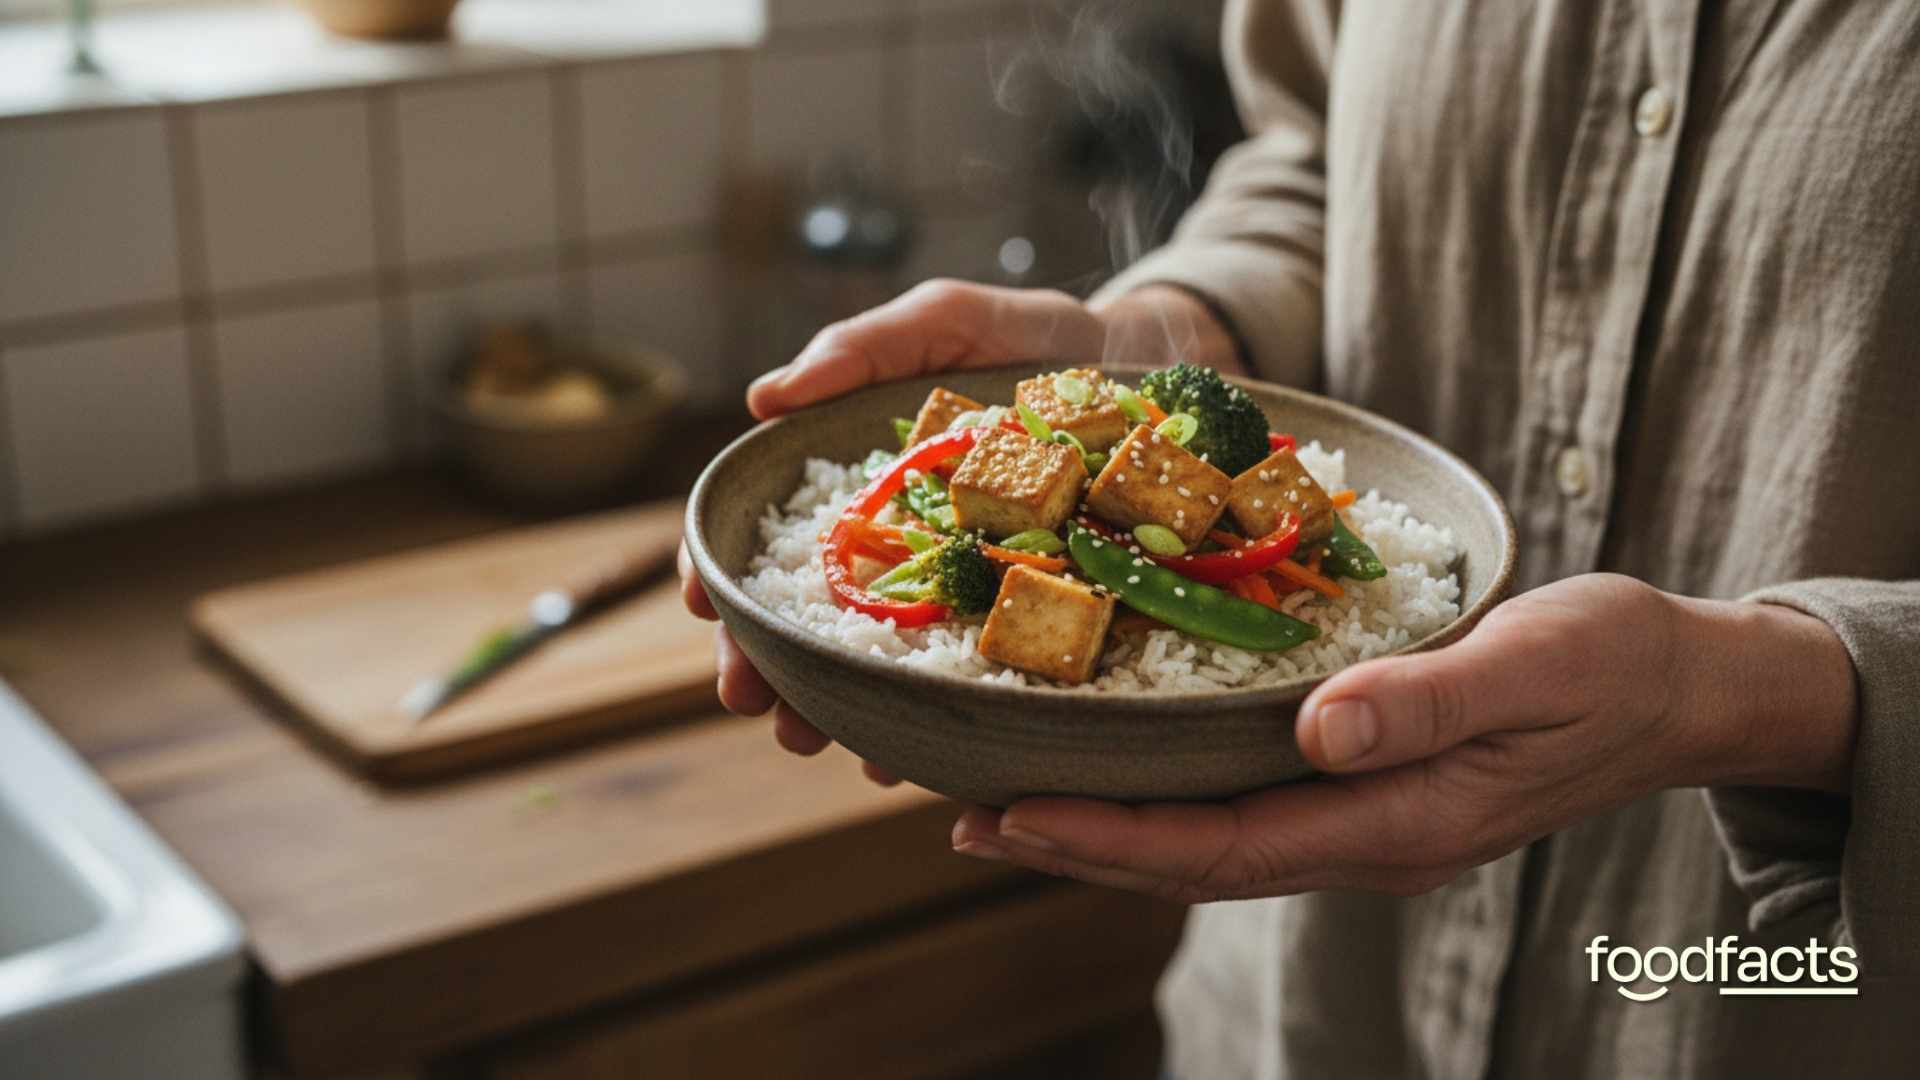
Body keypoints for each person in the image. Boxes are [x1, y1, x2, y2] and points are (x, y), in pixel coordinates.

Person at [680, 1, 1919, 1074]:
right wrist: (1181, 326)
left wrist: (1754, 693)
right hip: (1301, 1017)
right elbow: (1314, 158)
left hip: (1741, 1000)